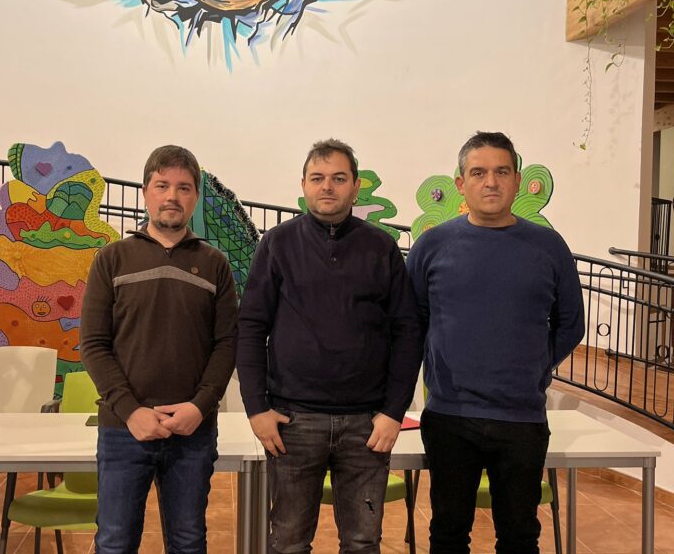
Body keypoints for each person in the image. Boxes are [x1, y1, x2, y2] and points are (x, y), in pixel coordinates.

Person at [236, 138, 423, 553]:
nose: (327, 187)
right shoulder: (277, 244)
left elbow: (407, 331)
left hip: (367, 425)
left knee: (362, 543)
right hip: (292, 422)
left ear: (355, 187)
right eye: (317, 178)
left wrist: (394, 412)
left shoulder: (381, 248)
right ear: (303, 184)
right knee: (288, 543)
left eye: (338, 178)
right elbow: (250, 327)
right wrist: (256, 408)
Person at [406, 131, 585, 554]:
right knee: (448, 535)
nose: (491, 182)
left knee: (520, 538)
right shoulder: (432, 245)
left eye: (502, 172)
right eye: (479, 172)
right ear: (460, 183)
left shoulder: (549, 246)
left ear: (518, 181)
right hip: (450, 416)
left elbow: (571, 323)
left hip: (521, 417)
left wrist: (534, 365)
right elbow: (413, 321)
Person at [80, 145, 237, 554]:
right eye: (162, 185)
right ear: (145, 192)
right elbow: (93, 344)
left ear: (195, 197)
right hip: (123, 430)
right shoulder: (111, 259)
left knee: (188, 542)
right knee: (114, 543)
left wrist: (199, 407)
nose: (172, 196)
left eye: (184, 188)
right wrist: (130, 411)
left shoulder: (216, 265)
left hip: (192, 432)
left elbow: (226, 345)